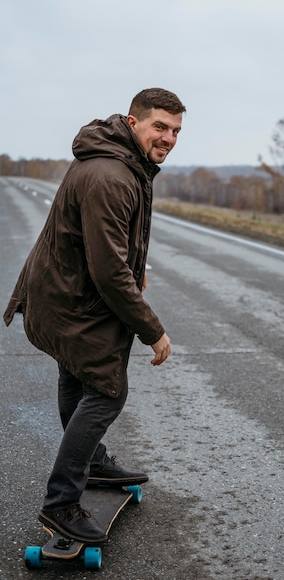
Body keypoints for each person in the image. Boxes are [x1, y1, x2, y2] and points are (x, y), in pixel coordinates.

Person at [3, 88, 186, 543]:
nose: (168, 138)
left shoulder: (120, 159)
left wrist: (134, 267)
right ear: (133, 121)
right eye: (160, 126)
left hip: (62, 289)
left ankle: (94, 463)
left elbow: (111, 244)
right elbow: (107, 273)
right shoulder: (112, 175)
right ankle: (61, 504)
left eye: (176, 131)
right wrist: (153, 331)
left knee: (78, 376)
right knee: (106, 391)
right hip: (72, 298)